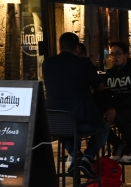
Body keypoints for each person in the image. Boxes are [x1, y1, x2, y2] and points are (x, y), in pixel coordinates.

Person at [43, 32, 109, 178]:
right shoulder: (83, 63)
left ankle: (75, 155)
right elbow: (100, 87)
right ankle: (87, 158)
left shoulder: (47, 63)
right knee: (104, 128)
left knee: (65, 129)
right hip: (80, 120)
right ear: (78, 48)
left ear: (60, 46)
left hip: (53, 121)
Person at [102, 41, 131, 162]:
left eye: (118, 54)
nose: (114, 57)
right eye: (112, 54)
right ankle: (117, 144)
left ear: (127, 55)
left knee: (121, 117)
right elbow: (106, 94)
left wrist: (115, 110)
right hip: (118, 107)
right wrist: (109, 108)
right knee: (97, 118)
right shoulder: (110, 73)